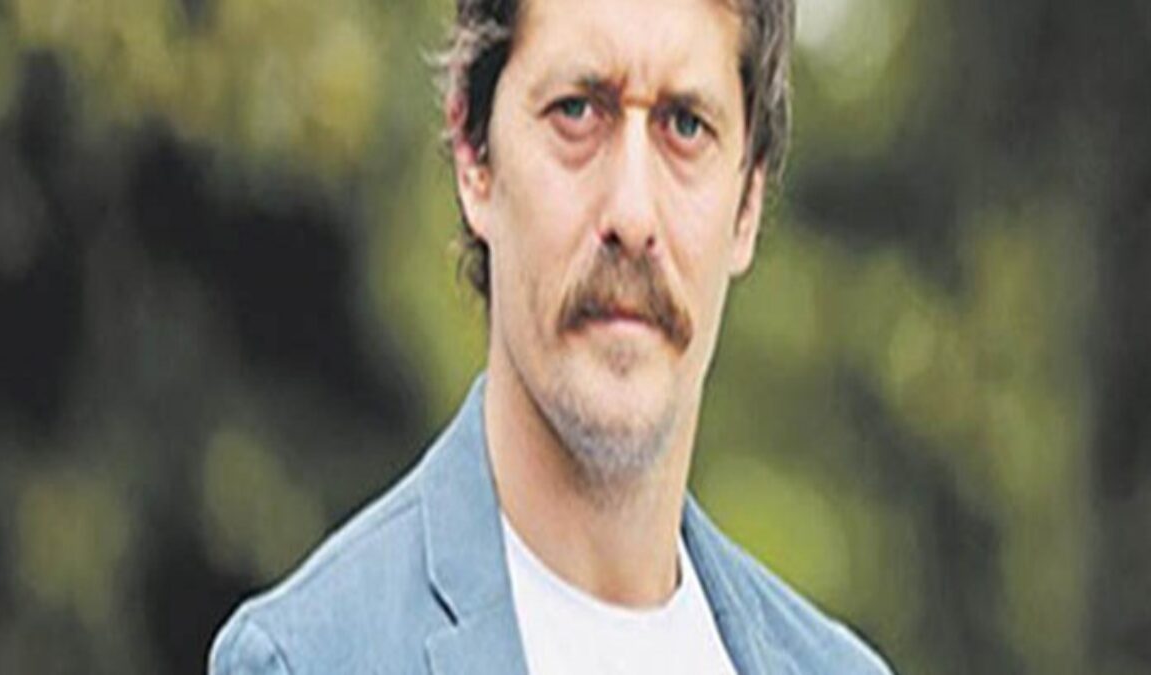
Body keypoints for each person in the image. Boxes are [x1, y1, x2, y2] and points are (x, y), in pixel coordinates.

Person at [210, 0, 893, 672]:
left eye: (685, 125)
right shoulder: (307, 659)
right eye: (577, 110)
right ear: (474, 158)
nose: (632, 213)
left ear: (747, 204)